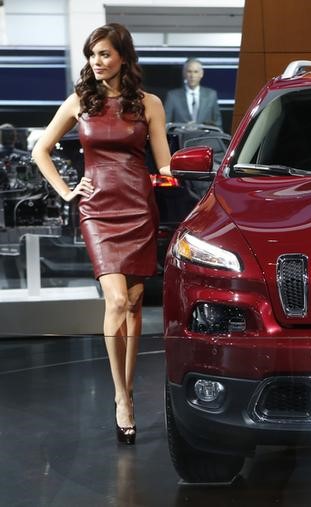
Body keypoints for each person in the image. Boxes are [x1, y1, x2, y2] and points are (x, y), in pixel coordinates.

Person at [32, 23, 172, 445]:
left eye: (105, 54)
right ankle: (121, 399)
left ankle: (128, 389)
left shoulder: (149, 104)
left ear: (123, 58)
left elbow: (163, 165)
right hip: (98, 211)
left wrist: (181, 178)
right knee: (114, 299)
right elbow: (40, 149)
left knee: (132, 305)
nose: (96, 61)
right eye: (92, 54)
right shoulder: (80, 102)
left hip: (138, 208)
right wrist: (68, 191)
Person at [164, 57, 223, 129]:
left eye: (196, 72)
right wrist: (183, 128)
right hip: (181, 138)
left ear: (201, 74)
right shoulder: (173, 96)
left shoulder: (211, 95)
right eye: (189, 71)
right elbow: (165, 125)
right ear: (184, 74)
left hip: (204, 138)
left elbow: (218, 125)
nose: (192, 76)